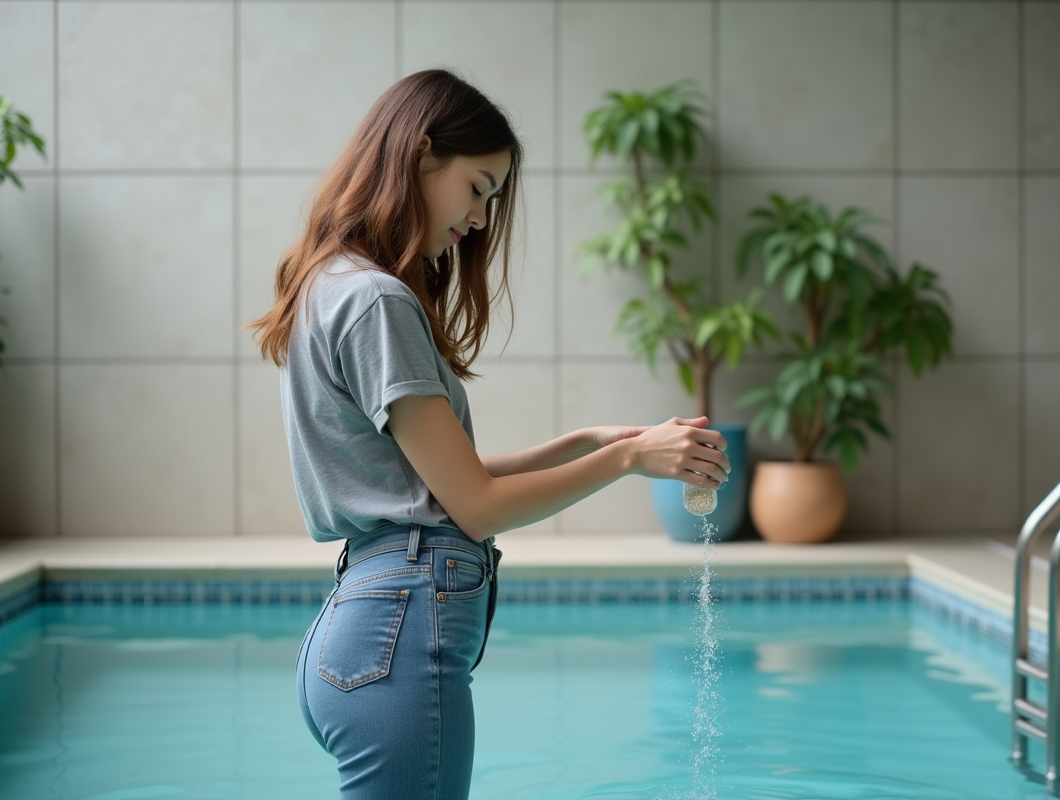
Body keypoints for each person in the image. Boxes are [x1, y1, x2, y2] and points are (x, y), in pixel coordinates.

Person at [247, 69, 730, 800]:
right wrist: (630, 458)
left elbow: (436, 485)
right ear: (419, 154)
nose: (479, 219)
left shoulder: (335, 282)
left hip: (361, 633)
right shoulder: (379, 299)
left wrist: (590, 442)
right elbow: (474, 506)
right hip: (395, 639)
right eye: (477, 187)